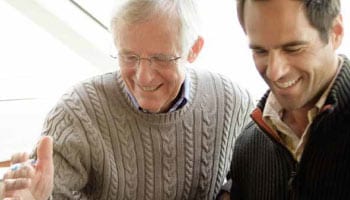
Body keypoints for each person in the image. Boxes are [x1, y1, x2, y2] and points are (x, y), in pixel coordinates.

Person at [1, 0, 254, 199]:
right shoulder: (75, 114)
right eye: (129, 56)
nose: (143, 77)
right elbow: (45, 194)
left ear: (193, 49)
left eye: (161, 58)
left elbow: (259, 180)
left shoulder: (232, 103)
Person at [229, 0, 350, 199]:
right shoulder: (247, 147)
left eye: (293, 48)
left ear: (335, 32)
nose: (275, 72)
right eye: (260, 51)